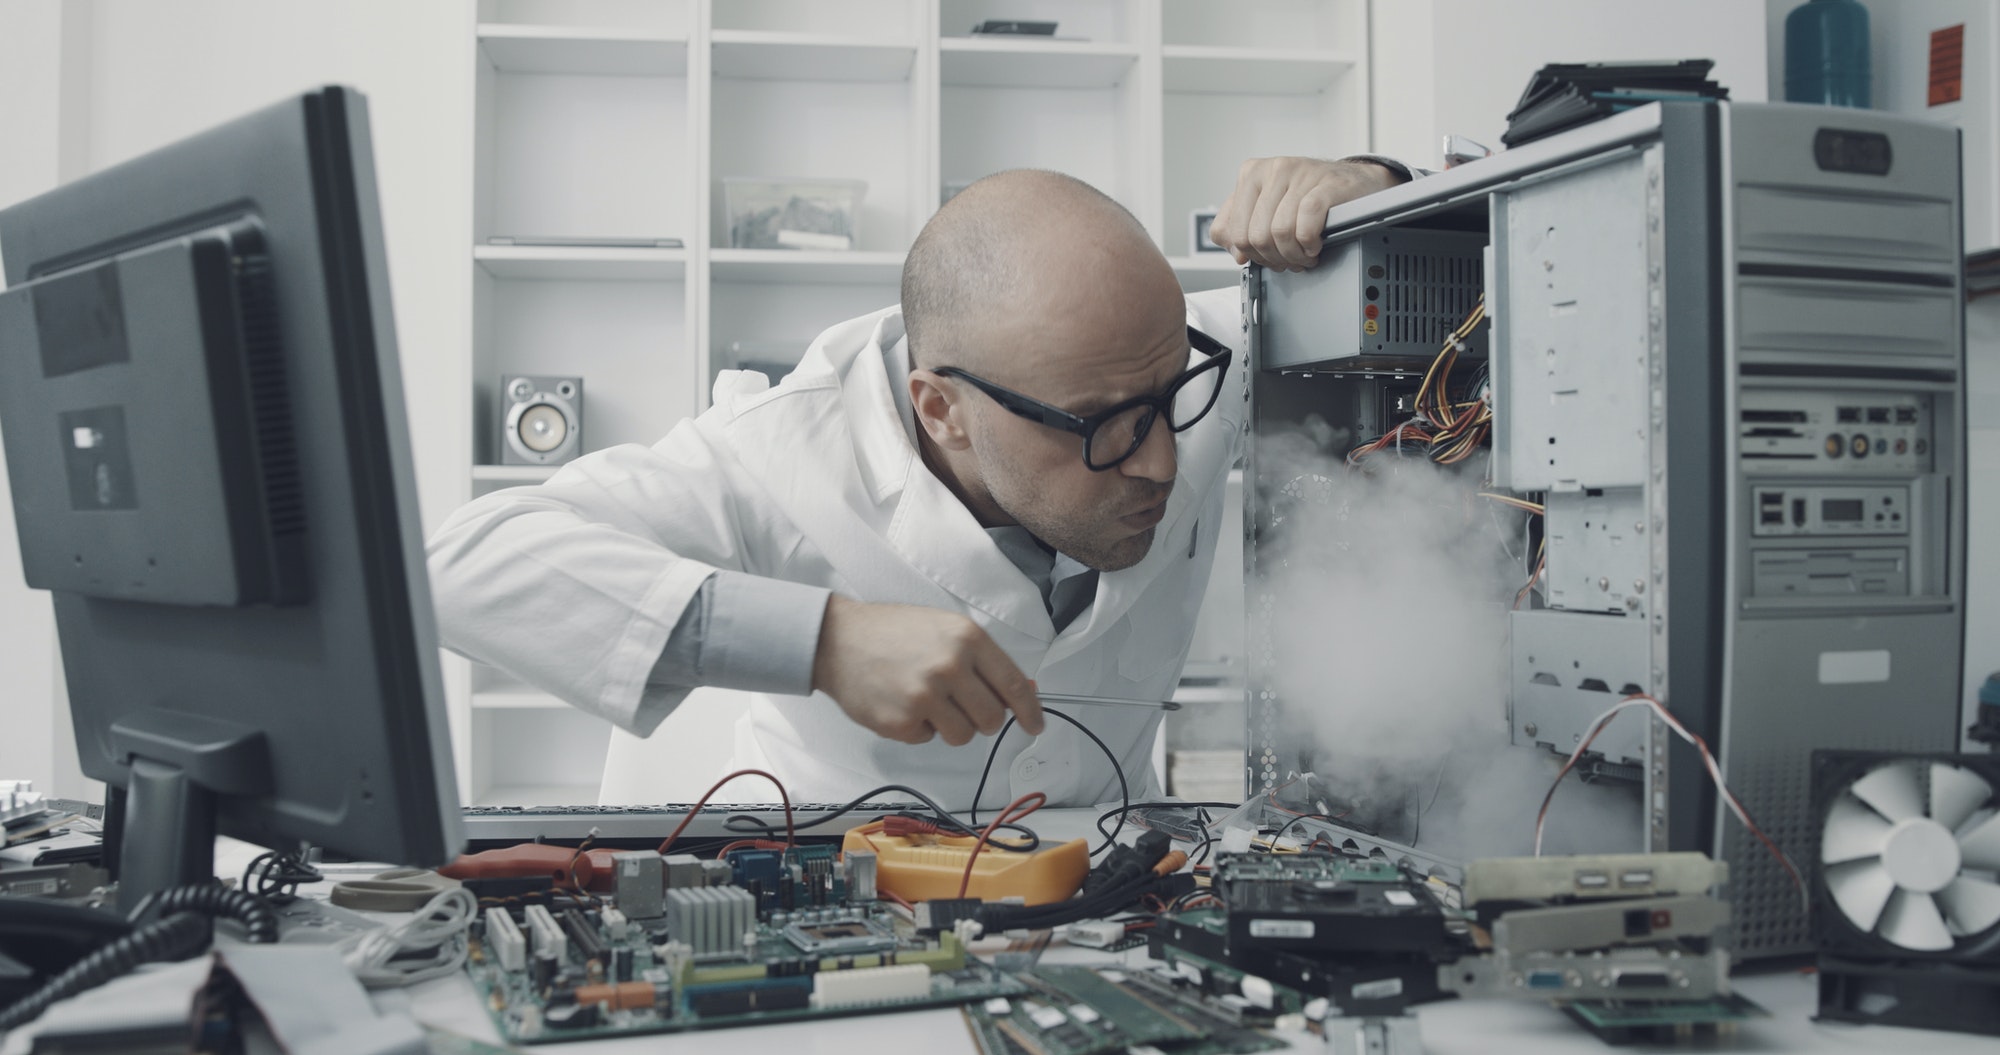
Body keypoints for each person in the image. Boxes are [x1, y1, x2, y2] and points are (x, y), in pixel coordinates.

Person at [426, 157, 1407, 810]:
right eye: (1106, 427)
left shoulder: (1151, 359)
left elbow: (1442, 236)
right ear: (941, 410)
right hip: (848, 897)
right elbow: (457, 564)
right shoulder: (775, 453)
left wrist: (1365, 181)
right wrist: (822, 639)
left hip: (1116, 890)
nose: (1160, 460)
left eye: (1169, 398)